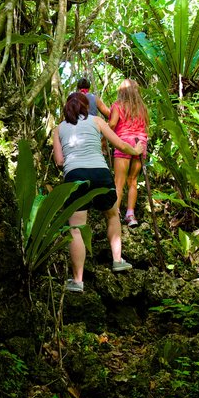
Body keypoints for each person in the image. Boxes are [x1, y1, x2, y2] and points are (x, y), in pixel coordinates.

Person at [52, 92, 145, 292]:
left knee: (76, 228)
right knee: (112, 215)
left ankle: (77, 281)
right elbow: (119, 144)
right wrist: (136, 151)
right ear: (86, 106)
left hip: (75, 176)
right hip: (101, 173)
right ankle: (118, 260)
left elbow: (59, 161)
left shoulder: (58, 129)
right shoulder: (96, 120)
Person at [108, 78, 150, 228]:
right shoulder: (142, 108)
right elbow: (146, 127)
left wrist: (103, 139)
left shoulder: (118, 105)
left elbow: (112, 124)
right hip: (140, 143)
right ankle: (130, 215)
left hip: (124, 143)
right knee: (132, 181)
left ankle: (115, 214)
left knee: (119, 182)